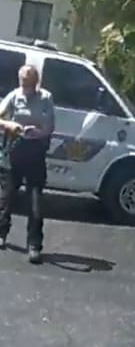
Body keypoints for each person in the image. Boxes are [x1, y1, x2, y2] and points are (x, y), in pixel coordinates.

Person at [0, 65, 55, 264]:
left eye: (29, 82)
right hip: (16, 150)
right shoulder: (14, 96)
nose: (25, 85)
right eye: (23, 82)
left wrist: (37, 131)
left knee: (35, 203)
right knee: (6, 198)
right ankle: (1, 232)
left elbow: (50, 126)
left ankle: (34, 245)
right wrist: (10, 125)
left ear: (36, 82)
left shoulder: (45, 99)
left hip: (35, 153)